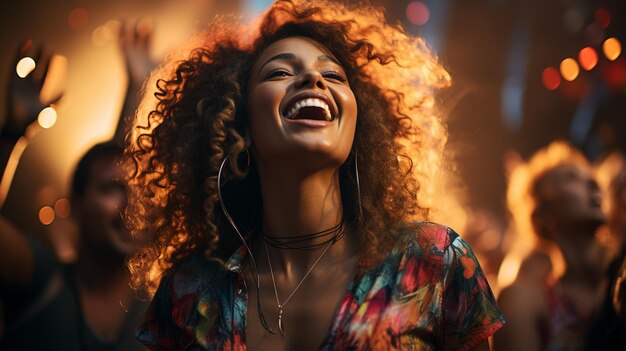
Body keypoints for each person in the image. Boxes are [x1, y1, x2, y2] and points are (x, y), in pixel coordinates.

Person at [127, 1, 504, 350]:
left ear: (361, 123)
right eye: (280, 72)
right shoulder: (190, 292)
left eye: (332, 74)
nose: (313, 79)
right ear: (237, 123)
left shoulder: (433, 262)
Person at [0, 23, 156, 350]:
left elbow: (116, 168)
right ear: (74, 204)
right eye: (112, 190)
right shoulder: (41, 279)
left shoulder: (166, 307)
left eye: (144, 192)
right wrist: (11, 135)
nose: (133, 205)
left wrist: (138, 88)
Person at [494, 141, 607, 351]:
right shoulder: (524, 302)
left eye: (590, 176)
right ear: (540, 214)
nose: (593, 182)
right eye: (571, 177)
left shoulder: (619, 278)